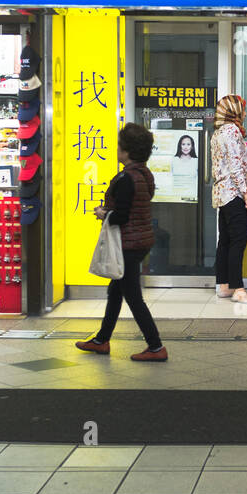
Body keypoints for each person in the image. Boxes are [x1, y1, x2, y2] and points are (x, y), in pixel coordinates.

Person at [75, 122, 167, 362]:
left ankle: (156, 346)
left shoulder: (127, 178)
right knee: (115, 291)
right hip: (139, 240)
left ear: (126, 151)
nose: (116, 149)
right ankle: (102, 340)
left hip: (128, 243)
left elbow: (123, 215)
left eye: (119, 146)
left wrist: (103, 213)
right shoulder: (144, 174)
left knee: (133, 296)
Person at [211, 94, 247, 304]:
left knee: (226, 241)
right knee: (239, 240)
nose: (245, 113)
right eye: (242, 109)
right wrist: (246, 195)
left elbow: (224, 165)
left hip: (222, 194)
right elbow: (235, 165)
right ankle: (239, 289)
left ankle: (224, 286)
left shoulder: (218, 132)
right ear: (234, 112)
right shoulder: (231, 131)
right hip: (234, 194)